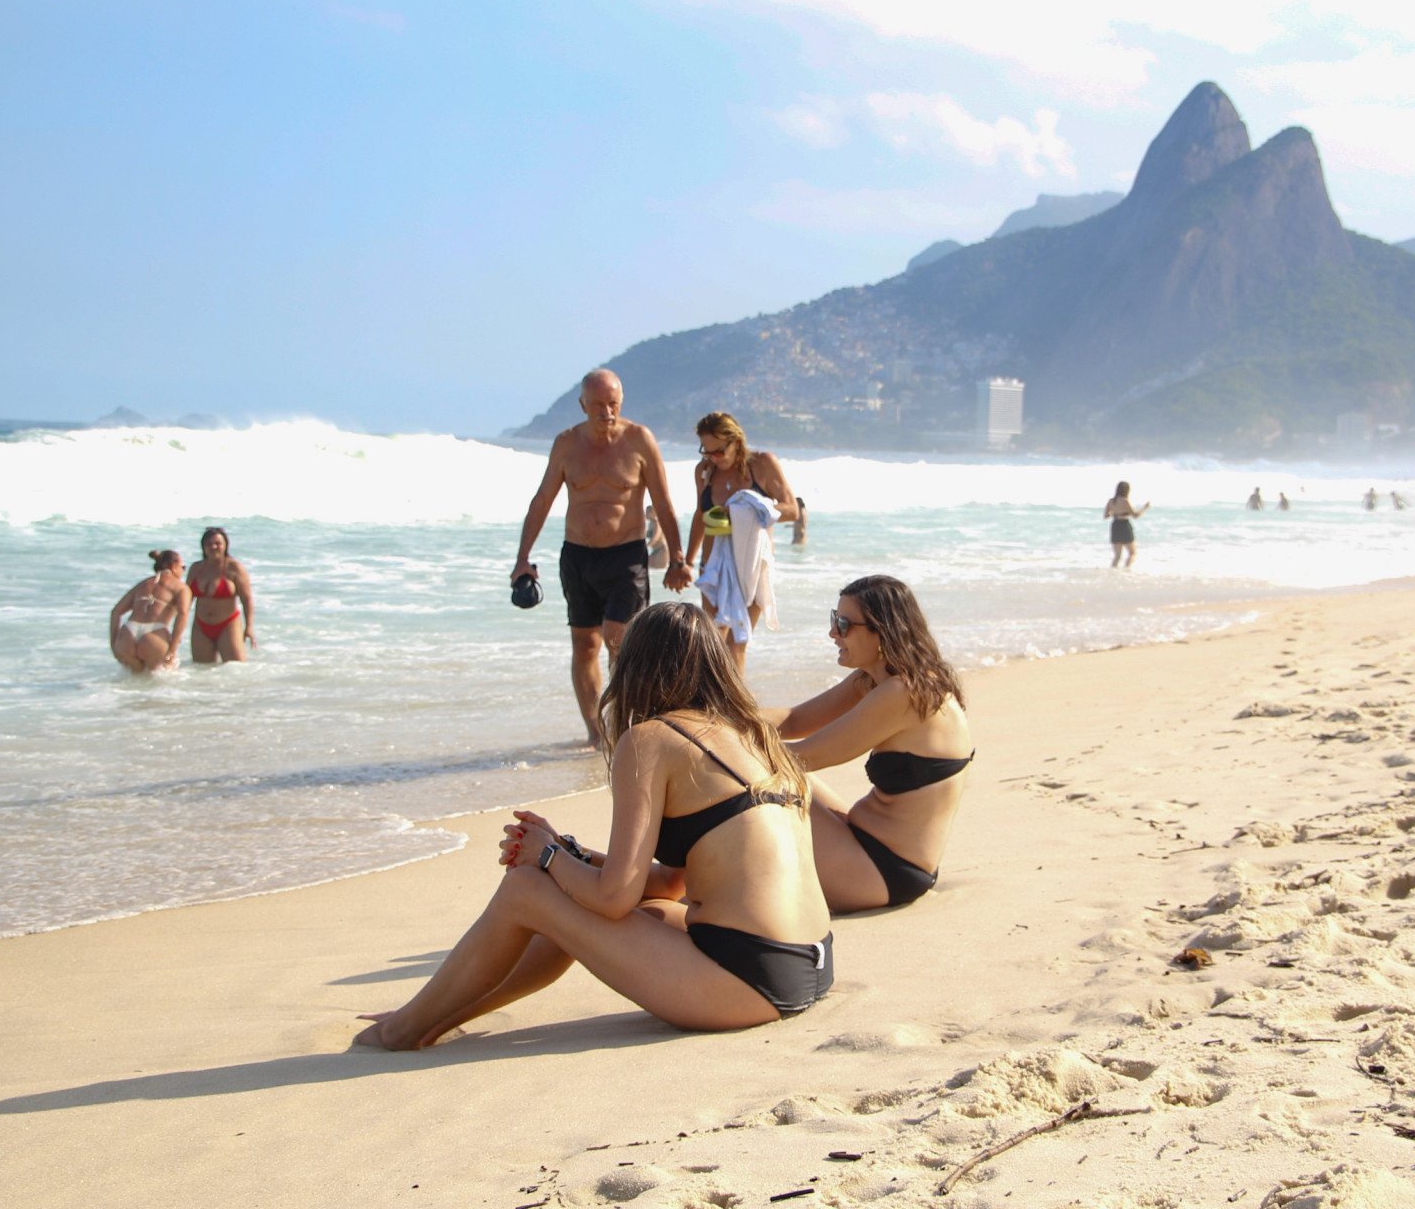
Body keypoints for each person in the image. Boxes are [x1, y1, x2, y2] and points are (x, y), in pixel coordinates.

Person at [352, 603, 832, 1050]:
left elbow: (611, 897)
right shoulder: (754, 736)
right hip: (807, 964)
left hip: (748, 981)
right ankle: (440, 1014)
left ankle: (402, 1030)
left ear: (636, 667)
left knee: (526, 890)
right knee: (618, 908)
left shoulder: (651, 740)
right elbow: (670, 884)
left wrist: (546, 857)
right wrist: (568, 853)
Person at [762, 576, 972, 914]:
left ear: (882, 631)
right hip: (868, 849)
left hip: (883, 871)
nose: (833, 633)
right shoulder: (879, 679)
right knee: (770, 774)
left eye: (844, 624)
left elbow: (803, 757)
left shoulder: (903, 693)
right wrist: (713, 719)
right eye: (834, 619)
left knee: (760, 783)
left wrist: (706, 745)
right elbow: (794, 720)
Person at [515, 370, 692, 746]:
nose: (606, 412)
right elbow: (542, 500)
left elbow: (662, 501)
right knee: (585, 646)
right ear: (582, 405)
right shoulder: (566, 444)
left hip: (625, 555)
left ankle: (625, 726)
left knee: (619, 641)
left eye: (613, 404)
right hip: (577, 556)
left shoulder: (639, 440)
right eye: (598, 405)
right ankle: (596, 733)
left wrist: (678, 557)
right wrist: (523, 558)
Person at [688, 412, 798, 668]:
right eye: (706, 451)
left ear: (736, 441)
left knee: (737, 642)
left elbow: (792, 510)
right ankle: (715, 705)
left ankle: (733, 707)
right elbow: (700, 515)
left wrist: (747, 508)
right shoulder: (704, 471)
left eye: (719, 451)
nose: (713, 458)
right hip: (713, 567)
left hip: (752, 567)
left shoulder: (762, 464)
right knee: (712, 643)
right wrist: (684, 560)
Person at [109, 550, 190, 673]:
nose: (183, 571)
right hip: (154, 636)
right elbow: (183, 613)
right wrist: (172, 648)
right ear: (174, 567)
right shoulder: (180, 587)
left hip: (128, 635)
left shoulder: (143, 584)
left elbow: (115, 612)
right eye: (183, 567)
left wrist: (114, 645)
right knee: (161, 682)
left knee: (133, 681)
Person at [186, 527, 254, 663]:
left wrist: (249, 627)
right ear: (203, 547)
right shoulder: (195, 568)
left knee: (236, 669)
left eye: (218, 543)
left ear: (225, 545)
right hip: (200, 625)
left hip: (228, 624)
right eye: (209, 544)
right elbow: (186, 600)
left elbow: (246, 599)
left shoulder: (235, 568)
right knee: (201, 671)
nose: (213, 547)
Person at [1104, 481, 1150, 569]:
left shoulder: (1111, 501)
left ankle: (1112, 572)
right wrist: (1145, 507)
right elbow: (1135, 515)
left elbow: (1106, 516)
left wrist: (1115, 513)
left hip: (1115, 526)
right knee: (1132, 553)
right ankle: (1127, 569)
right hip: (1124, 525)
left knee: (1117, 556)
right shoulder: (1125, 501)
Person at [644, 505, 670, 571]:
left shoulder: (657, 523)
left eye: (647, 512)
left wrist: (646, 545)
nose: (645, 514)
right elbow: (647, 534)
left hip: (661, 551)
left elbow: (656, 537)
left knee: (658, 572)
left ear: (653, 513)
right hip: (655, 551)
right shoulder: (651, 523)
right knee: (646, 566)